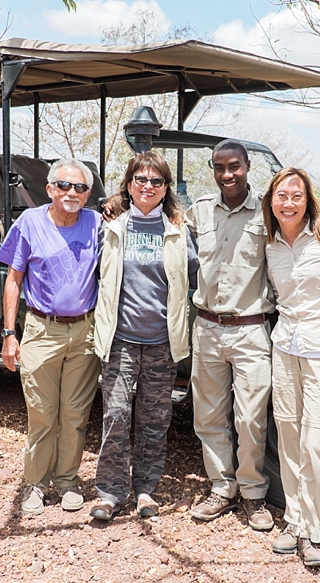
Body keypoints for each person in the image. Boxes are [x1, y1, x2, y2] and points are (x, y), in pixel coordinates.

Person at [89, 152, 199, 521]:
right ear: (129, 184)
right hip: (119, 340)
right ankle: (109, 492)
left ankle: (146, 490)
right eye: (141, 179)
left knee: (154, 421)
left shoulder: (178, 231)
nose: (148, 186)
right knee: (116, 416)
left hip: (161, 344)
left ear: (166, 188)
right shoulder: (112, 229)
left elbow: (195, 274)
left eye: (156, 181)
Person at [0, 158, 101, 517]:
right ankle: (36, 484)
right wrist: (10, 334)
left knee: (75, 414)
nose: (72, 193)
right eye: (65, 186)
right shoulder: (30, 222)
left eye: (80, 187)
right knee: (42, 414)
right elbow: (13, 279)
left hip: (85, 331)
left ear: (88, 194)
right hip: (41, 330)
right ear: (50, 188)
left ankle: (68, 481)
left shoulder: (96, 224)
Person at [186, 140, 275, 531]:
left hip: (251, 329)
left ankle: (253, 493)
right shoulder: (201, 209)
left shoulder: (269, 210)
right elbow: (162, 220)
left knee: (251, 418)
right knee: (207, 416)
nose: (227, 174)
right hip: (206, 328)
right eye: (220, 167)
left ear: (248, 166)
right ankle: (221, 487)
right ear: (212, 169)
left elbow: (306, 229)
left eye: (234, 166)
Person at [263, 167, 320, 567]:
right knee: (289, 436)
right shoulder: (271, 243)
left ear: (308, 199)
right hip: (285, 346)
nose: (289, 202)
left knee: (319, 441)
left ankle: (311, 532)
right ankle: (294, 519)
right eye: (282, 195)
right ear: (271, 200)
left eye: (296, 195)